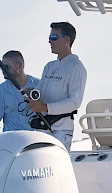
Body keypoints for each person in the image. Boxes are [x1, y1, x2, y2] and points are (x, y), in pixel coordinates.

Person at [28, 22, 87, 151]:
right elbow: (40, 90)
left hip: (60, 130)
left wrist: (45, 107)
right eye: (49, 38)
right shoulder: (49, 66)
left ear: (67, 40)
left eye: (54, 37)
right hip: (41, 128)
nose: (50, 41)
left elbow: (75, 102)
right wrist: (32, 94)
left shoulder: (76, 67)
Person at [0, 50, 40, 136]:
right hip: (13, 141)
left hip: (39, 139)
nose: (2, 70)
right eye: (1, 67)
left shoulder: (40, 85)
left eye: (6, 67)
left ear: (19, 65)